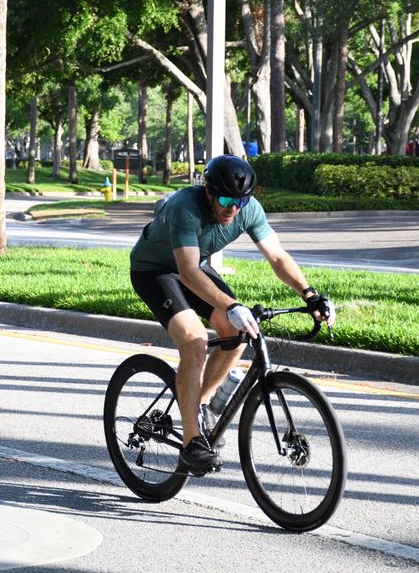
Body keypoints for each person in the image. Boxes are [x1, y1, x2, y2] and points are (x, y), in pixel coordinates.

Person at [129, 154, 335, 473]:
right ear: (209, 192)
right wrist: (231, 305)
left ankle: (199, 406)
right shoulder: (185, 207)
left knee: (237, 333)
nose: (233, 209)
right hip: (154, 272)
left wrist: (310, 294)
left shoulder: (247, 209)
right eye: (226, 200)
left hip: (194, 267)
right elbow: (187, 272)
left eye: (241, 201)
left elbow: (277, 257)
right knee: (195, 341)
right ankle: (192, 443)